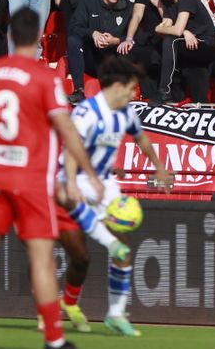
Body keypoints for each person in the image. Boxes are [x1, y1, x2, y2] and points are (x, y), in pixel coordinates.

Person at [0, 8, 102, 349]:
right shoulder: (46, 79)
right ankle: (55, 341)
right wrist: (89, 174)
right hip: (31, 182)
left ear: (10, 37)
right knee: (41, 261)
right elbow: (66, 129)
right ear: (39, 38)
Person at [55, 55, 173, 339]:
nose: (135, 94)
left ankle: (116, 314)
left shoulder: (126, 113)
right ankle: (69, 295)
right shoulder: (86, 113)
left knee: (124, 247)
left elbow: (141, 138)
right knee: (83, 240)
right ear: (117, 86)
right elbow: (72, 150)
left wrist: (159, 166)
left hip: (106, 181)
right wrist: (71, 182)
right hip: (76, 176)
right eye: (132, 88)